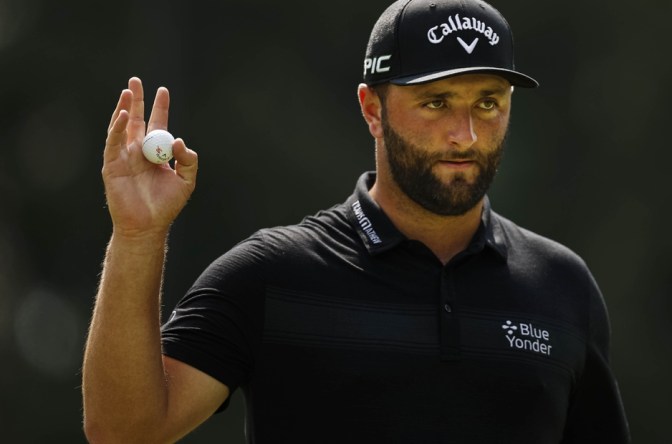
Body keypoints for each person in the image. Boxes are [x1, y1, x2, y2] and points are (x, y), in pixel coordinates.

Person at [82, 0, 630, 442]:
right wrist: (137, 236)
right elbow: (124, 431)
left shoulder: (562, 287)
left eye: (488, 104)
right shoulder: (274, 274)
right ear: (372, 108)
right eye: (436, 103)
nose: (465, 134)